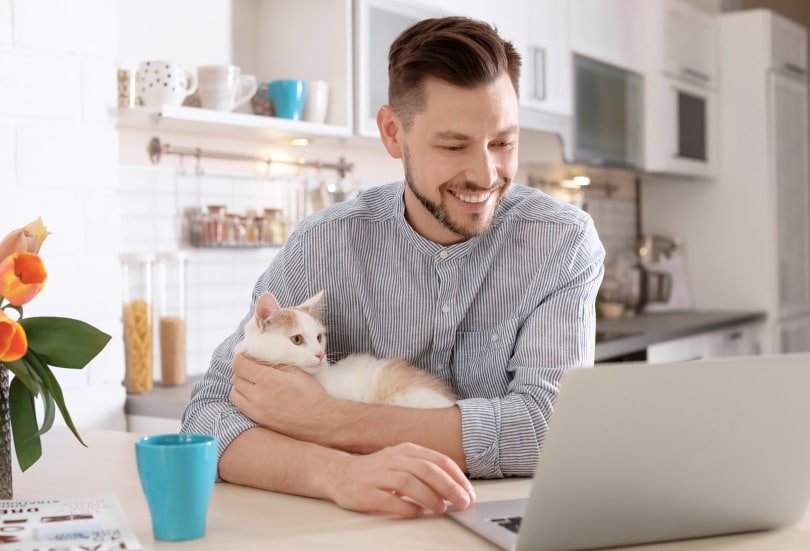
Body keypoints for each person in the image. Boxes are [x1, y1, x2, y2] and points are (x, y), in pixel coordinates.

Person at [181, 15, 605, 519]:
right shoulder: (325, 243)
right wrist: (338, 474)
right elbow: (207, 416)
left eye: (503, 143)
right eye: (453, 145)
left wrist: (331, 421)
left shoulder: (562, 242)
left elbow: (550, 429)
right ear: (392, 133)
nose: (486, 174)